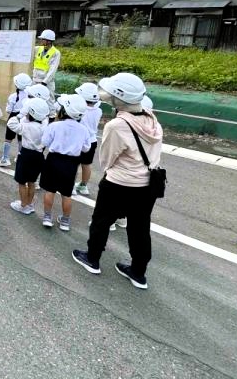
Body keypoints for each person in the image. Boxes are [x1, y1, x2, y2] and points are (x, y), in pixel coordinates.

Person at [72, 73, 163, 290]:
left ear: (119, 98)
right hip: (147, 185)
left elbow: (107, 159)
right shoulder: (150, 117)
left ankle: (92, 259)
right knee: (140, 229)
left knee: (102, 221)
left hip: (119, 184)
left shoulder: (117, 125)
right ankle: (138, 272)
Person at [39, 94, 92, 231]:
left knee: (50, 190)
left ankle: (47, 217)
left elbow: (44, 142)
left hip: (54, 159)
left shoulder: (55, 125)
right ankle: (65, 221)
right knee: (66, 194)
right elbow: (86, 148)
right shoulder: (83, 130)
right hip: (71, 163)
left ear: (65, 110)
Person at [8, 97, 49, 215]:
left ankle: (23, 205)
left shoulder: (26, 127)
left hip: (26, 155)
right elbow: (44, 117)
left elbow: (11, 123)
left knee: (22, 182)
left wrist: (21, 114)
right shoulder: (45, 125)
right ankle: (29, 204)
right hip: (39, 156)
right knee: (32, 182)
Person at [0, 73, 32, 168]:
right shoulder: (29, 96)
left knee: (8, 138)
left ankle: (5, 158)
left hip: (13, 117)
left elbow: (8, 110)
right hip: (24, 117)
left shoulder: (13, 96)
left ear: (16, 84)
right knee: (21, 139)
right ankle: (20, 157)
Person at [74, 82, 102, 196]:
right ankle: (83, 186)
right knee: (86, 164)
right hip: (92, 140)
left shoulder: (80, 110)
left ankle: (70, 185)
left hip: (79, 141)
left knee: (74, 163)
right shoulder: (98, 110)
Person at [32, 29, 60, 99]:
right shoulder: (37, 49)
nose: (41, 40)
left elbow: (53, 70)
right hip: (35, 80)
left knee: (49, 101)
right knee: (34, 100)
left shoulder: (56, 53)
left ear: (49, 41)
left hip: (47, 83)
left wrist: (44, 82)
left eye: (43, 39)